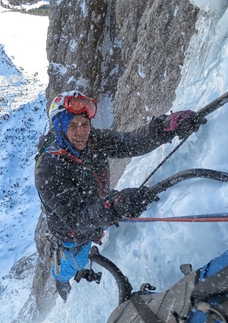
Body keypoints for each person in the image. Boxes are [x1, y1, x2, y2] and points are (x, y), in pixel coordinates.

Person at [34, 90, 205, 301]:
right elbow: (75, 219)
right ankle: (60, 279)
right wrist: (112, 206)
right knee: (71, 266)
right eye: (73, 125)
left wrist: (165, 127)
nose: (82, 133)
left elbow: (130, 142)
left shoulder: (95, 140)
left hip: (100, 213)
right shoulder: (48, 169)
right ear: (60, 128)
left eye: (85, 124)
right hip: (73, 235)